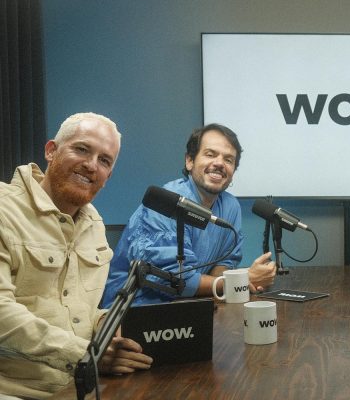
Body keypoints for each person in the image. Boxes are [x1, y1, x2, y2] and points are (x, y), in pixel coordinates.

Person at [0, 113, 152, 400]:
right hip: (16, 394)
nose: (91, 165)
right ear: (51, 150)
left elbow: (79, 309)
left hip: (80, 387)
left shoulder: (93, 224)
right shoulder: (5, 210)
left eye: (104, 161)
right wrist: (86, 355)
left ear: (108, 175)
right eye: (82, 149)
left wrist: (106, 324)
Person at [100, 123, 276, 308]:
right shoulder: (167, 203)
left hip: (190, 305)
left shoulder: (230, 207)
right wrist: (240, 280)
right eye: (210, 154)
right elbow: (174, 280)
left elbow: (225, 261)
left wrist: (234, 281)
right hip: (134, 309)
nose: (219, 163)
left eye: (228, 159)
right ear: (190, 161)